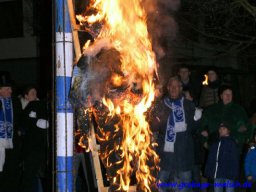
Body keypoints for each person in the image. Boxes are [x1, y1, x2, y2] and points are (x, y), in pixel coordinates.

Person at [149, 76, 202, 192]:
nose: (173, 89)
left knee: (184, 188)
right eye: (171, 86)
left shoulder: (188, 105)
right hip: (166, 156)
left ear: (180, 88)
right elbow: (153, 127)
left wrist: (197, 118)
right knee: (160, 187)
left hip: (184, 155)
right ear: (168, 88)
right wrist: (156, 120)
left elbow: (195, 128)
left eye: (176, 86)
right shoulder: (161, 105)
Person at [200, 84, 251, 152]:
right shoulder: (211, 110)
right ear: (221, 96)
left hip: (233, 146)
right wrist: (204, 142)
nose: (228, 96)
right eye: (226, 94)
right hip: (215, 144)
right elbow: (201, 126)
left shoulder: (239, 110)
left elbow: (246, 126)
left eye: (230, 94)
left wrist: (239, 138)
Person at [19, 85, 49, 192]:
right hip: (27, 148)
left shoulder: (39, 105)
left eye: (35, 93)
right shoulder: (21, 107)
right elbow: (22, 126)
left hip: (37, 147)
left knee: (36, 174)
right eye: (32, 93)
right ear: (26, 96)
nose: (35, 95)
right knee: (28, 175)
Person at [0, 71, 23, 192]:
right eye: (8, 88)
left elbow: (20, 119)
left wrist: (20, 129)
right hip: (0, 143)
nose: (11, 91)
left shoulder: (14, 102)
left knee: (12, 171)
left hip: (12, 142)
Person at [204, 122, 239, 192]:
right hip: (217, 174)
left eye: (224, 128)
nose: (221, 130)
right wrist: (208, 170)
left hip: (229, 174)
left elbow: (235, 160)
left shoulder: (231, 143)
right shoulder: (216, 143)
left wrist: (234, 173)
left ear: (228, 130)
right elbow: (211, 158)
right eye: (220, 128)